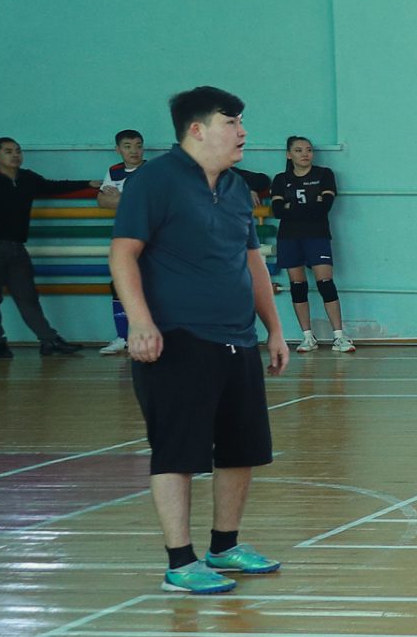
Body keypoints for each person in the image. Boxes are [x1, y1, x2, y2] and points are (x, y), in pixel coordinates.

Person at [109, 85, 293, 596]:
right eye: (231, 122)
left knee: (240, 448)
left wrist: (275, 329)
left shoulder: (236, 187)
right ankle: (180, 562)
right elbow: (123, 253)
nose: (242, 132)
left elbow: (252, 262)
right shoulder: (155, 180)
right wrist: (139, 323)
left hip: (237, 338)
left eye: (241, 122)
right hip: (177, 338)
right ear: (197, 129)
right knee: (178, 451)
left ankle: (224, 546)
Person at [0, 137, 85, 359]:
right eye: (8, 151)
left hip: (16, 247)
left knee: (28, 295)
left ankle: (48, 340)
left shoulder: (27, 178)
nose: (15, 155)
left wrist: (88, 184)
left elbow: (54, 186)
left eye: (18, 151)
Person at [268, 136, 350, 354]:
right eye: (298, 150)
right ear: (289, 155)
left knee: (325, 283)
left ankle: (339, 337)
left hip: (317, 235)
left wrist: (292, 207)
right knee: (298, 286)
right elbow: (278, 211)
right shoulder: (281, 179)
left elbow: (324, 208)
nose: (305, 154)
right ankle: (307, 337)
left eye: (308, 150)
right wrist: (311, 206)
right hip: (289, 237)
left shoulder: (324, 174)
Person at [96, 129, 149, 356]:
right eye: (128, 146)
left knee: (153, 285)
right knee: (119, 284)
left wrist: (120, 198)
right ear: (118, 150)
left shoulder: (152, 171)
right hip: (124, 236)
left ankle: (153, 336)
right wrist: (128, 199)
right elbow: (102, 200)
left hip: (150, 237)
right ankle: (123, 337)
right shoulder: (114, 171)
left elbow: (149, 202)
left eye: (138, 145)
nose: (134, 151)